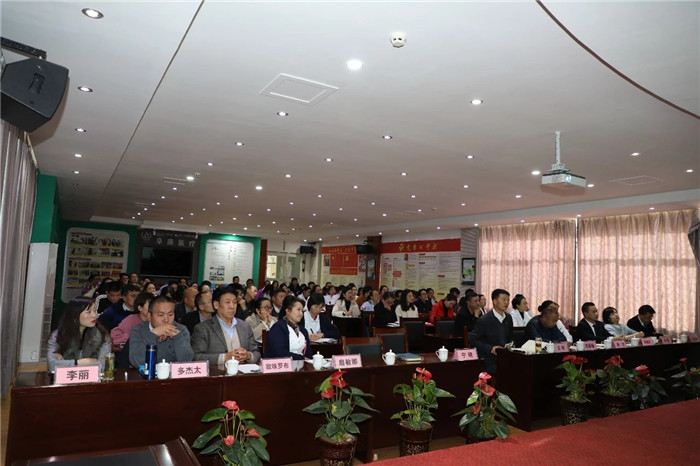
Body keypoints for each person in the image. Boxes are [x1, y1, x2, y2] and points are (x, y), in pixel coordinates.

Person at [191, 286, 260, 365]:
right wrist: (224, 357)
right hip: (217, 372)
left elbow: (256, 353)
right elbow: (196, 357)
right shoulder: (203, 328)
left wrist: (248, 356)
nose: (232, 306)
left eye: (234, 302)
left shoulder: (245, 326)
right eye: (227, 302)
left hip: (243, 372)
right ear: (216, 304)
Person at [47, 297, 112, 373]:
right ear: (75, 315)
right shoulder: (58, 335)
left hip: (92, 378)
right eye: (88, 312)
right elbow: (52, 365)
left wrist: (64, 364)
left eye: (95, 311)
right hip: (66, 378)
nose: (95, 315)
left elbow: (104, 365)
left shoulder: (103, 335)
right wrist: (80, 362)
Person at [129, 295, 194, 367]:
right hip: (147, 373)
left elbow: (187, 362)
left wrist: (178, 337)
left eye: (170, 314)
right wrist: (153, 335)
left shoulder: (181, 330)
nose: (166, 320)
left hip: (173, 373)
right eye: (161, 315)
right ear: (149, 316)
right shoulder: (138, 331)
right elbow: (136, 362)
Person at [470, 289, 514, 375]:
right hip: (489, 359)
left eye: (508, 300)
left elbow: (510, 337)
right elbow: (473, 340)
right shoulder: (484, 320)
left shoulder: (508, 318)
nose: (506, 303)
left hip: (505, 357)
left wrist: (511, 344)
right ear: (495, 301)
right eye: (503, 299)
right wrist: (490, 349)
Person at [264, 296, 312, 360]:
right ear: (288, 311)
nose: (301, 313)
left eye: (302, 311)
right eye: (298, 310)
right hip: (281, 364)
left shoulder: (303, 330)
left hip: (302, 364)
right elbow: (279, 353)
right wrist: (301, 358)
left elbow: (308, 353)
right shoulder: (278, 328)